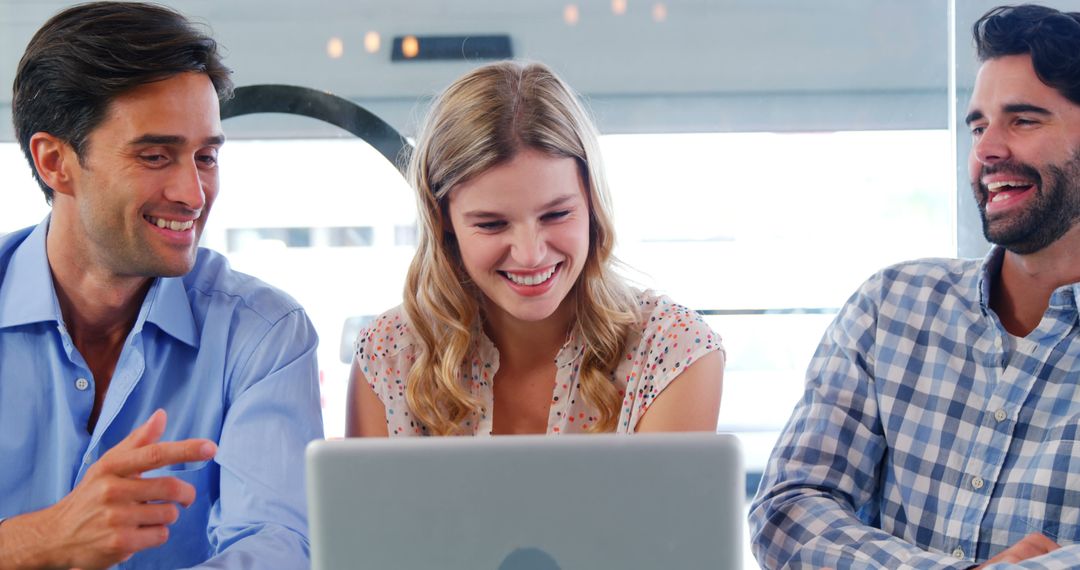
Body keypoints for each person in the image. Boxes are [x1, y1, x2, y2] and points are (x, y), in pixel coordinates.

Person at [750, 4, 1080, 568]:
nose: (986, 149)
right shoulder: (891, 307)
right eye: (979, 125)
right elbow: (789, 509)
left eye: (1023, 121)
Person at [0, 3, 322, 568]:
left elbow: (276, 545)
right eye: (155, 156)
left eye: (206, 157)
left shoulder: (263, 334)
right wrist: (44, 538)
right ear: (55, 162)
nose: (194, 194)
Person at [346, 61, 724, 437]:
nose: (530, 255)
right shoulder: (390, 352)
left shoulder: (672, 350)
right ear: (443, 221)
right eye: (491, 224)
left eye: (557, 214)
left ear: (593, 204)